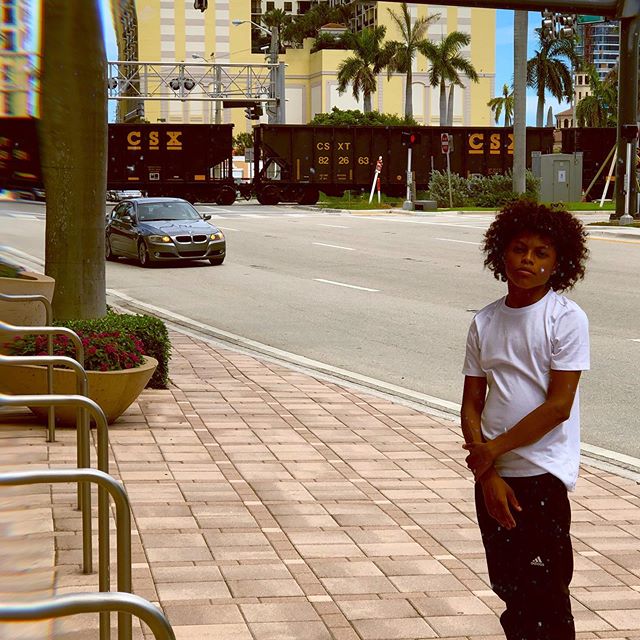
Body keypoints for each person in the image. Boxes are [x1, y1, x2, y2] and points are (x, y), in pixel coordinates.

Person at [460, 200, 590, 640]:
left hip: (541, 477)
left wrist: (490, 452)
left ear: (559, 263)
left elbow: (558, 406)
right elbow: (472, 404)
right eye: (519, 249)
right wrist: (488, 474)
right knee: (510, 590)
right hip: (494, 478)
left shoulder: (565, 319)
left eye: (541, 253)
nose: (528, 260)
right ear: (501, 253)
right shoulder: (485, 321)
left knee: (546, 595)